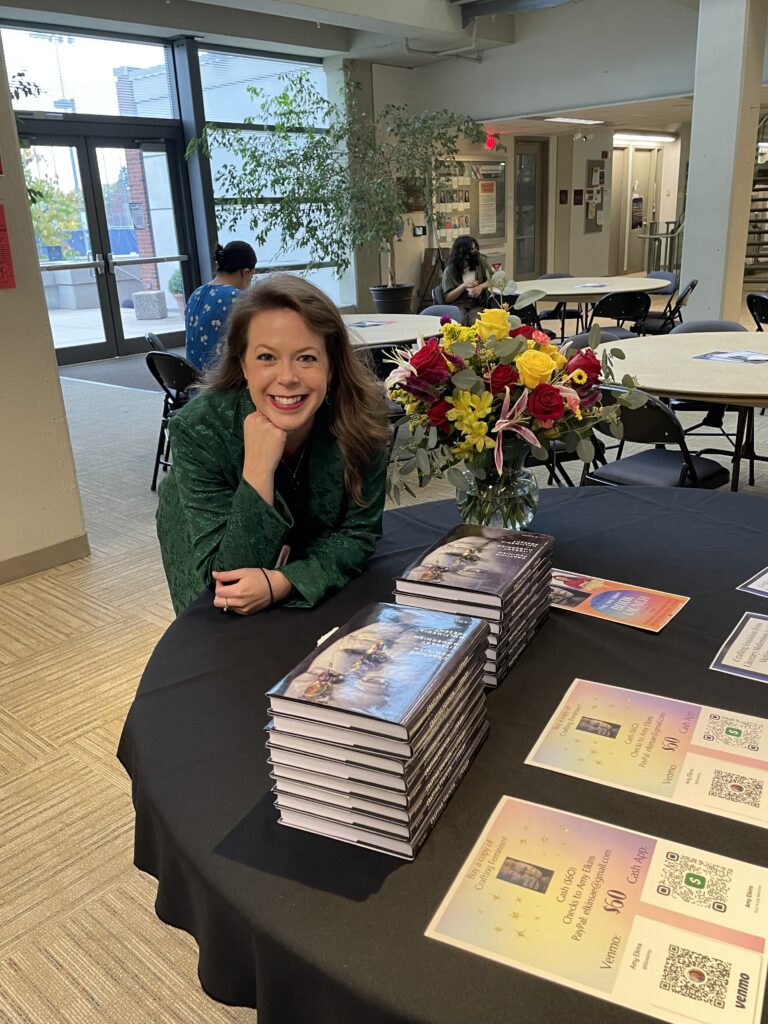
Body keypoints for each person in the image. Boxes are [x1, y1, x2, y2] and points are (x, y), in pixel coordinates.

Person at [157, 273, 390, 616]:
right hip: (211, 538)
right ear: (243, 365)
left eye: (307, 358)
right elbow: (228, 578)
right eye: (267, 357)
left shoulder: (362, 417)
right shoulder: (199, 429)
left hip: (303, 556)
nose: (287, 377)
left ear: (331, 366)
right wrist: (257, 470)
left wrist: (285, 582)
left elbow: (358, 533)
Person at [185, 240, 257, 372]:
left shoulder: (196, 293)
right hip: (222, 383)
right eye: (252, 276)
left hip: (193, 380)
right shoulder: (237, 298)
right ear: (246, 273)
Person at [441, 235, 492, 324]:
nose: (475, 252)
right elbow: (447, 298)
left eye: (476, 248)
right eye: (472, 249)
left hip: (476, 305)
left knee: (475, 323)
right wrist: (463, 286)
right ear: (462, 253)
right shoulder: (449, 271)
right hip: (458, 306)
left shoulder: (479, 263)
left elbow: (493, 280)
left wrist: (481, 286)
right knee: (461, 322)